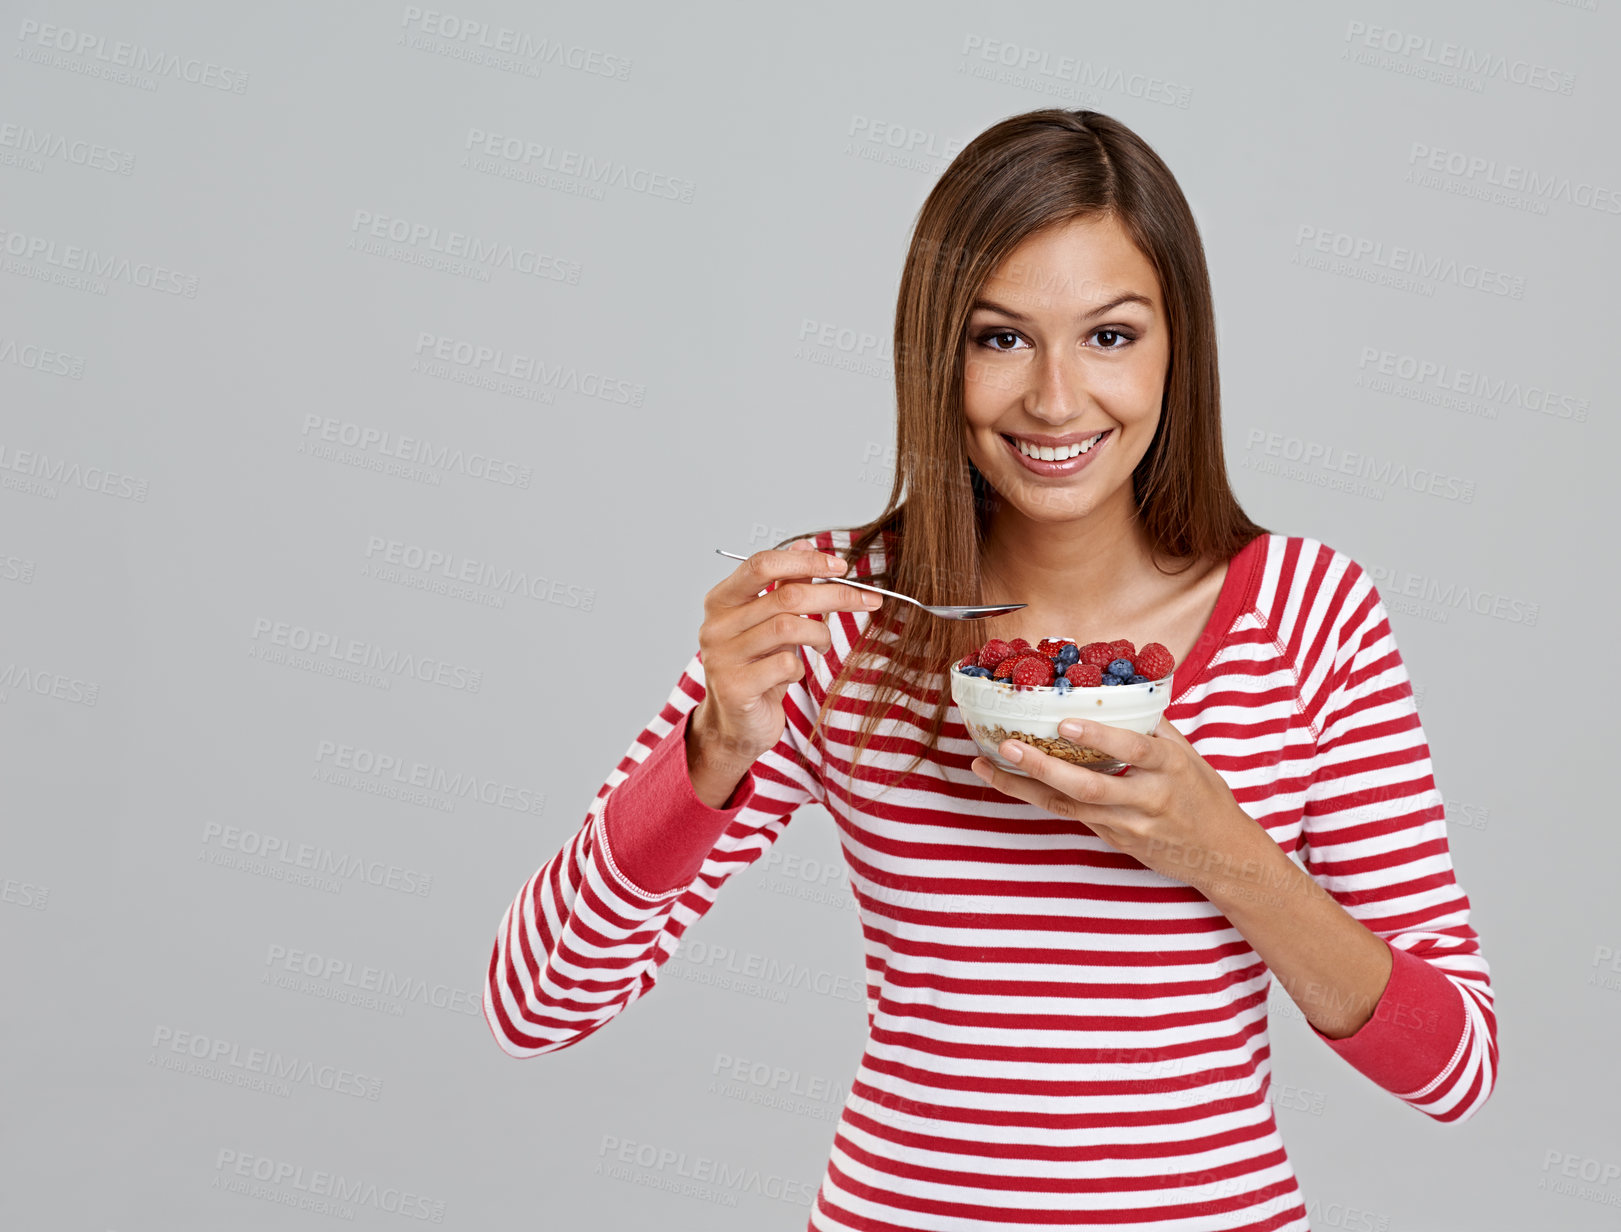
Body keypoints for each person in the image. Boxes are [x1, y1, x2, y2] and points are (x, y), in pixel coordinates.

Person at [481, 108, 1497, 1230]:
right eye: (998, 337)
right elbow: (535, 1001)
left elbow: (1452, 1064)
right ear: (936, 353)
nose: (1055, 399)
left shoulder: (1310, 613)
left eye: (1109, 336)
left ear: (1179, 346)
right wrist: (711, 749)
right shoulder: (839, 612)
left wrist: (1222, 851)